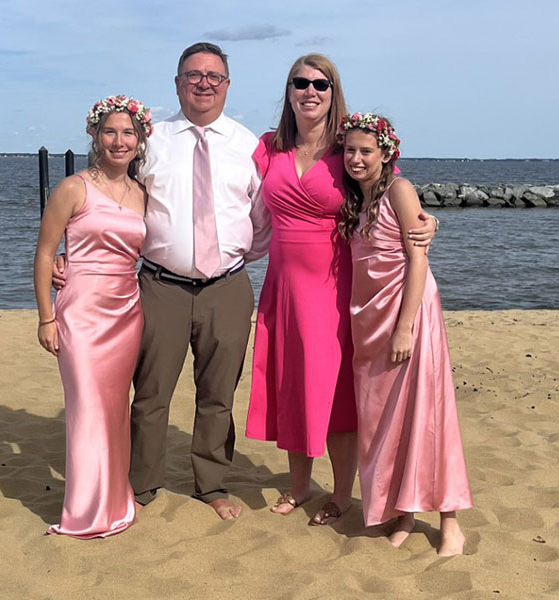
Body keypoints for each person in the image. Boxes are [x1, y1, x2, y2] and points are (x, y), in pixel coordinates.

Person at [53, 42, 266, 520]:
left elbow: (262, 217)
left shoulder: (248, 146)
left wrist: (230, 257)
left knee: (218, 394)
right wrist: (67, 252)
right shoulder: (153, 142)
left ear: (227, 85)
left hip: (228, 287)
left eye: (213, 76)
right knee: (150, 393)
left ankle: (211, 484)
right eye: (194, 75)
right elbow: (109, 197)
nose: (204, 83)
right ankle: (143, 483)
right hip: (159, 286)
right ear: (177, 84)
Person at [245, 54, 438, 526]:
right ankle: (298, 487)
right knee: (291, 386)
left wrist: (428, 221)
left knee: (335, 396)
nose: (310, 91)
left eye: (321, 84)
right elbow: (232, 201)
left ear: (334, 93)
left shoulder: (345, 149)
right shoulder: (268, 147)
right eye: (300, 83)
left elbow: (388, 191)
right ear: (289, 91)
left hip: (335, 288)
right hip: (282, 287)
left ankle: (341, 494)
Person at [338, 113, 471, 556]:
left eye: (366, 151)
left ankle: (450, 523)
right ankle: (404, 514)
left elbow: (418, 261)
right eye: (350, 150)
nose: (356, 159)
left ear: (386, 153)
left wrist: (405, 327)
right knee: (383, 421)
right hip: (369, 321)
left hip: (406, 314)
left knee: (426, 414)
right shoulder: (356, 198)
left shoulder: (399, 188)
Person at [33, 95, 152, 538]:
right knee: (86, 408)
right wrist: (46, 317)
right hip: (80, 311)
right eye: (110, 132)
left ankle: (116, 500)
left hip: (126, 310)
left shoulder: (143, 193)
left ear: (140, 140)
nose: (119, 142)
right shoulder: (73, 188)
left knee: (114, 409)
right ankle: (85, 512)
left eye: (128, 133)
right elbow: (45, 254)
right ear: (95, 136)